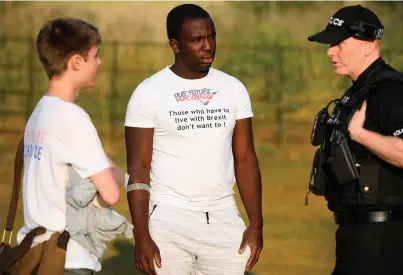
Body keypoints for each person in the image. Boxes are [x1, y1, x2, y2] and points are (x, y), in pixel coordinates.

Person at [124, 3, 263, 275]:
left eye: (211, 37)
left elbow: (245, 158)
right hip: (167, 218)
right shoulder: (148, 92)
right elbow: (138, 168)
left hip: (223, 217)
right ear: (175, 45)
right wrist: (141, 235)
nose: (208, 45)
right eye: (197, 39)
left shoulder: (233, 88)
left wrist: (255, 224)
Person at [307, 4, 403, 275]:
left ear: (369, 45)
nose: (330, 51)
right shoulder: (360, 91)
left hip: (382, 241)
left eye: (339, 43)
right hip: (357, 236)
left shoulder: (390, 92)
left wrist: (360, 134)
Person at [17, 18, 125, 275]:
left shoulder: (39, 113)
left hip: (35, 255)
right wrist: (119, 176)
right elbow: (111, 194)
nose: (99, 62)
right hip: (69, 259)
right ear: (76, 62)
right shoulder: (72, 117)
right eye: (95, 55)